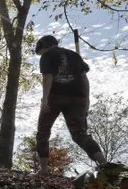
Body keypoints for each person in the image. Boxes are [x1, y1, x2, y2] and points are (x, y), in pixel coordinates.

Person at [34, 34, 106, 174]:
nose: (41, 54)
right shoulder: (75, 55)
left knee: (43, 131)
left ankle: (43, 169)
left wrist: (45, 99)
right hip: (78, 98)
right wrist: (87, 99)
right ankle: (104, 164)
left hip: (54, 97)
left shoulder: (47, 55)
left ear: (44, 46)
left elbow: (47, 76)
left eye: (40, 52)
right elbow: (84, 78)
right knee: (79, 134)